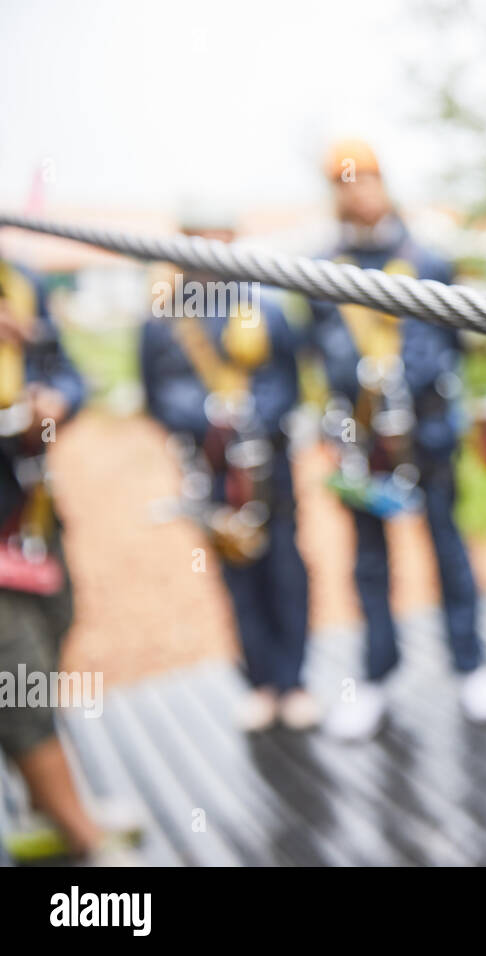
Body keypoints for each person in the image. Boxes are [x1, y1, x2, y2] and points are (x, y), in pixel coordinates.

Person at [310, 139, 486, 739]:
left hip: (425, 429)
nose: (357, 192)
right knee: (369, 559)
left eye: (366, 180)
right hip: (359, 435)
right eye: (345, 183)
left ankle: (471, 666)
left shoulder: (426, 260)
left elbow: (449, 343)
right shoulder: (323, 272)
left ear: (384, 183)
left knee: (447, 544)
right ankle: (375, 676)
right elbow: (318, 355)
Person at [141, 209, 318, 733]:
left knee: (285, 567)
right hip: (213, 471)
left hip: (269, 466)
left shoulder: (265, 306)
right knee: (237, 573)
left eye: (222, 238)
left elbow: (288, 382)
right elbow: (158, 395)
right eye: (203, 238)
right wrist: (207, 415)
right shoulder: (165, 321)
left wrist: (253, 415)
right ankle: (260, 682)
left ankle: (294, 680)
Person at [0, 257, 136, 862]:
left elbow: (66, 371)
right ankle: (87, 842)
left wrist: (57, 401)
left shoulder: (17, 281)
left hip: (28, 515)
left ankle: (45, 806)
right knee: (18, 673)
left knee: (54, 633)